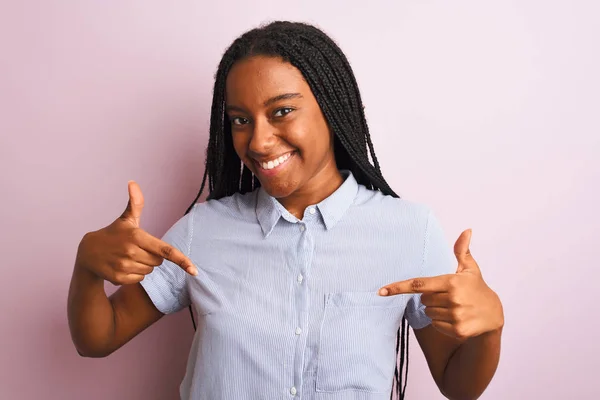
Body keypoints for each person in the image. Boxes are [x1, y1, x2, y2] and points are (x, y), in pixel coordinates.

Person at [67, 21, 503, 400]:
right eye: (240, 119)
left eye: (282, 111)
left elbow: (457, 385)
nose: (257, 141)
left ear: (331, 110)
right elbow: (99, 337)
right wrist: (88, 265)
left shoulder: (409, 230)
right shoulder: (203, 231)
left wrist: (489, 328)